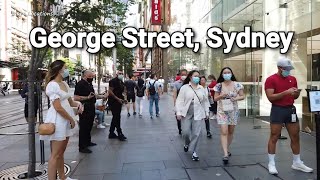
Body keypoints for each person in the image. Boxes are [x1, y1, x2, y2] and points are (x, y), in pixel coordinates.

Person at [265, 58, 313, 175]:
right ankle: (271, 163)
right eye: (286, 69)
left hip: (290, 109)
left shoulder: (292, 79)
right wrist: (286, 92)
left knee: (295, 136)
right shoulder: (271, 79)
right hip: (277, 109)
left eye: (289, 69)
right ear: (280, 68)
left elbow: (294, 97)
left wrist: (296, 93)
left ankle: (297, 162)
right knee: (274, 136)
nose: (288, 71)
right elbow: (270, 97)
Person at [40, 60, 83, 180]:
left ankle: (63, 177)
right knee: (55, 154)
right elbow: (58, 107)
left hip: (66, 120)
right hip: (58, 120)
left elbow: (70, 102)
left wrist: (79, 104)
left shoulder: (64, 83)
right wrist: (71, 119)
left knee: (61, 153)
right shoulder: (52, 85)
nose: (66, 70)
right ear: (59, 70)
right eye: (65, 67)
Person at [176, 70, 210, 161]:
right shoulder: (185, 88)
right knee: (186, 132)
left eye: (198, 76)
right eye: (195, 76)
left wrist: (207, 112)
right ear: (190, 77)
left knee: (196, 133)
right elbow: (179, 101)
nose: (197, 78)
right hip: (186, 113)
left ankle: (194, 151)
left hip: (198, 112)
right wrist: (178, 112)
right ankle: (187, 143)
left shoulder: (201, 88)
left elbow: (205, 101)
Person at [213, 67, 245, 165]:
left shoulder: (237, 85)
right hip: (222, 111)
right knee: (224, 131)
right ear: (222, 75)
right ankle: (225, 154)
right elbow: (215, 99)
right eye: (225, 73)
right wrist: (221, 96)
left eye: (228, 72)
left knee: (231, 131)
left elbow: (243, 96)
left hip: (233, 111)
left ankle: (227, 148)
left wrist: (235, 98)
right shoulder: (218, 86)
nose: (227, 74)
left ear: (231, 73)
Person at [74, 70, 107, 153]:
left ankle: (88, 142)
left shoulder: (89, 84)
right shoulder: (80, 84)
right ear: (85, 76)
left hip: (91, 106)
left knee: (89, 125)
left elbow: (93, 95)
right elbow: (76, 97)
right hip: (84, 107)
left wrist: (102, 96)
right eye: (90, 77)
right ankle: (82, 146)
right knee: (84, 127)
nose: (91, 78)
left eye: (92, 77)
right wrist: (87, 98)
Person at [108, 71, 127, 141]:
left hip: (119, 101)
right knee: (117, 117)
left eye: (122, 73)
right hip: (113, 101)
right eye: (120, 73)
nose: (121, 75)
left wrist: (124, 99)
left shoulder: (121, 82)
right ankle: (119, 133)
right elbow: (110, 91)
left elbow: (123, 91)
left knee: (116, 116)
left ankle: (111, 132)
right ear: (116, 74)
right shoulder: (112, 81)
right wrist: (117, 99)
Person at [173, 69, 188, 135]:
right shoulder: (176, 83)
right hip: (179, 103)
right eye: (182, 75)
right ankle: (180, 128)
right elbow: (174, 94)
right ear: (180, 75)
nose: (184, 76)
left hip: (187, 103)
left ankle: (186, 128)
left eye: (185, 74)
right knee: (178, 117)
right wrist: (175, 104)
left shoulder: (189, 83)